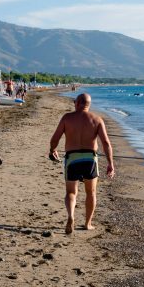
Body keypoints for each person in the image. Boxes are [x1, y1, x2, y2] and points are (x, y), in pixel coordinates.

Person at [48, 93, 115, 234]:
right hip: (90, 158)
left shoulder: (67, 118)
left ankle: (71, 216)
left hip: (72, 158)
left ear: (77, 103)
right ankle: (87, 223)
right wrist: (110, 163)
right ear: (88, 104)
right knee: (91, 192)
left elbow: (55, 138)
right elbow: (106, 143)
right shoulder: (97, 119)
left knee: (71, 192)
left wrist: (53, 149)